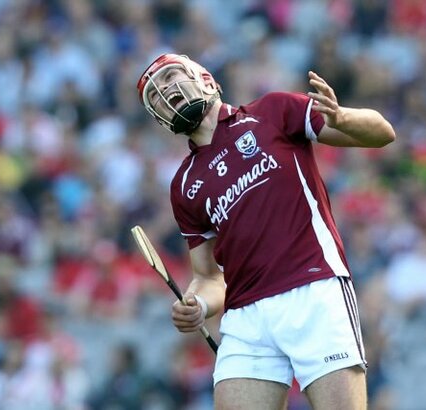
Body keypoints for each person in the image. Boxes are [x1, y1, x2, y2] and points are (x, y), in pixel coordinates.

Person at [136, 53, 396, 410]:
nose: (164, 91)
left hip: (313, 290)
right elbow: (209, 277)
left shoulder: (272, 111)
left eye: (170, 77)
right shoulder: (184, 185)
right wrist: (198, 304)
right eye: (153, 95)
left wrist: (342, 117)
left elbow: (383, 134)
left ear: (207, 80)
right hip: (246, 317)